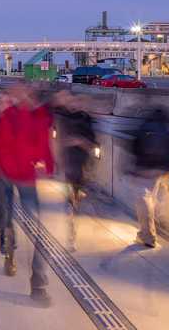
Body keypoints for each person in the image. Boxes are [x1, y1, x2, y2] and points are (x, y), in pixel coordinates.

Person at [0, 84, 51, 302]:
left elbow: (42, 142)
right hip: (5, 174)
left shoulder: (35, 114)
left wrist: (47, 166)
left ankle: (38, 282)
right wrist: (0, 167)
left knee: (40, 230)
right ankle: (9, 250)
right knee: (6, 216)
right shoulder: (2, 118)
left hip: (26, 176)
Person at [130, 105, 169, 248]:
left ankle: (148, 236)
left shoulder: (145, 128)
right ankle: (148, 232)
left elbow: (135, 146)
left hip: (144, 169)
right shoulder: (167, 130)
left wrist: (136, 167)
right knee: (151, 199)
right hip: (159, 170)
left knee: (143, 201)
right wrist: (165, 168)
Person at [55, 91, 96, 250]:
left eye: (80, 102)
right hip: (69, 163)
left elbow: (91, 144)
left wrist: (80, 141)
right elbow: (59, 140)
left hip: (81, 164)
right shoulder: (64, 118)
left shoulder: (86, 119)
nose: (76, 105)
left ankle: (74, 205)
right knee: (70, 199)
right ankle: (71, 234)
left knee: (76, 196)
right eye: (74, 102)